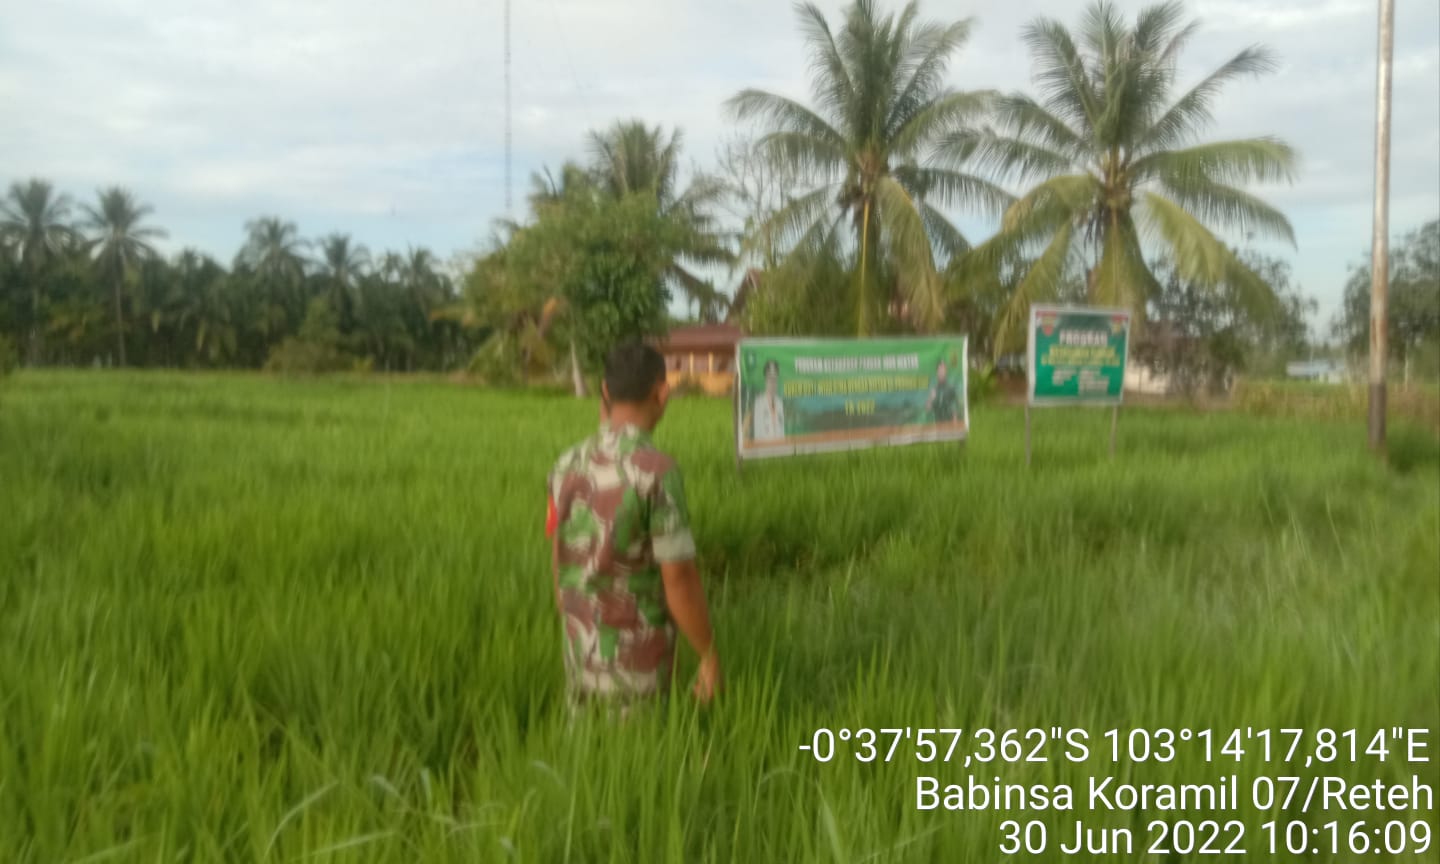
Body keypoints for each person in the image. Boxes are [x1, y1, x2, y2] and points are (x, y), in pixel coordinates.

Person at [545, 342, 721, 717]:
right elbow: (680, 578)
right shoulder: (656, 471)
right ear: (663, 392)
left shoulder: (565, 465)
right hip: (636, 666)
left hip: (578, 652)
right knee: (643, 762)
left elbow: (560, 558)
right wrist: (708, 655)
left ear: (605, 392)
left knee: (587, 764)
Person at [751, 359, 785, 441]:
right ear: (765, 380)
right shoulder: (759, 403)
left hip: (779, 446)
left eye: (775, 379)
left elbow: (782, 429)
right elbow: (757, 431)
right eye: (770, 379)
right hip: (765, 446)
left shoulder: (780, 402)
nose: (773, 383)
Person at [926, 359, 960, 423]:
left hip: (949, 424)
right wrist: (931, 398)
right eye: (939, 370)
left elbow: (956, 408)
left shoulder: (951, 388)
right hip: (938, 425)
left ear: (946, 372)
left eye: (943, 370)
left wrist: (955, 423)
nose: (941, 372)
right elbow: (928, 409)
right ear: (937, 372)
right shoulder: (934, 389)